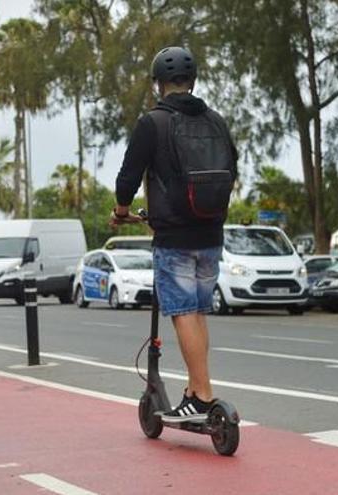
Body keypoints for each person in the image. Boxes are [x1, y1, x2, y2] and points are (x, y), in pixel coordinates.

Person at [111, 46, 238, 423]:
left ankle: (202, 395)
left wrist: (121, 212)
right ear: (193, 80)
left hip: (175, 235)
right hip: (211, 231)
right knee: (197, 312)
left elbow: (128, 177)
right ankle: (195, 389)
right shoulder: (215, 120)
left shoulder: (154, 122)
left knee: (183, 313)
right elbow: (232, 164)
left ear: (158, 83)